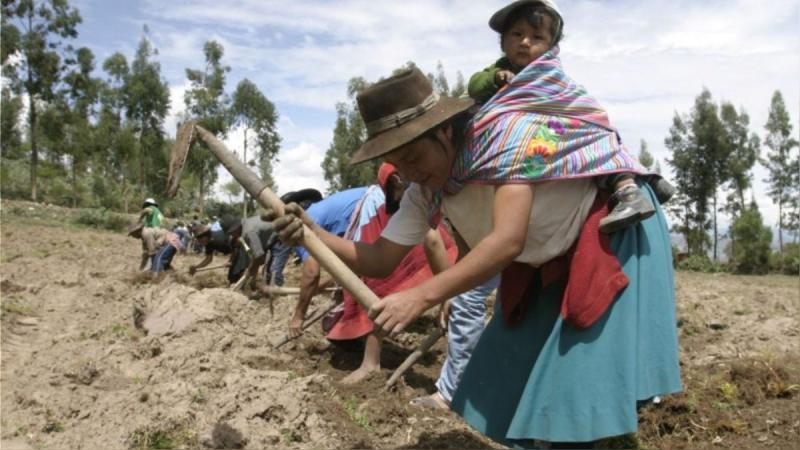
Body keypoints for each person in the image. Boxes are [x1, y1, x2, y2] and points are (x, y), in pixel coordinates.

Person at [271, 64, 680, 447]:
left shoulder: (500, 139)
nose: (410, 172)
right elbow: (378, 258)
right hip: (546, 261)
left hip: (610, 232)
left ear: (445, 131)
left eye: (415, 157)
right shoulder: (426, 190)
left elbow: (506, 242)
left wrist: (422, 295)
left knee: (577, 388)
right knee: (512, 382)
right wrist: (312, 234)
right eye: (399, 164)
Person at [466, 0, 672, 234]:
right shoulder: (498, 69)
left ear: (551, 47)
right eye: (517, 34)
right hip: (524, 133)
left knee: (594, 134)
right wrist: (495, 78)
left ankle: (629, 191)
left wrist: (584, 119)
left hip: (557, 124)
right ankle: (647, 179)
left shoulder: (551, 74)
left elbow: (574, 104)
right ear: (503, 41)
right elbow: (474, 86)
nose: (525, 42)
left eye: (537, 37)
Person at [319, 163, 459, 384]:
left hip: (471, 251)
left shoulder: (421, 192)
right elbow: (375, 257)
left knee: (462, 310)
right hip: (408, 250)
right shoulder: (399, 204)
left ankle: (454, 382)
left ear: (397, 182)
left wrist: (447, 293)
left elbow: (432, 240)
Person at [268, 189, 324, 286]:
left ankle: (276, 285)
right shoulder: (318, 214)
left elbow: (312, 274)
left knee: (275, 267)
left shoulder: (305, 225)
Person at [221, 215, 278, 286]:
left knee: (273, 272)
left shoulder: (249, 232)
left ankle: (276, 290)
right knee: (262, 270)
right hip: (269, 242)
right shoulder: (244, 228)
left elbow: (259, 256)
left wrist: (249, 270)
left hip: (280, 237)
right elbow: (251, 253)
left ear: (235, 229)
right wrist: (230, 262)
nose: (232, 236)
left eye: (231, 234)